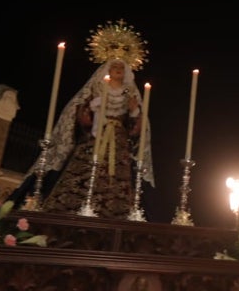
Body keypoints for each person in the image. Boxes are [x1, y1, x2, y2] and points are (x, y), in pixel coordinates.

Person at [20, 20, 151, 218]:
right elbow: (79, 114)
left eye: (121, 67)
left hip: (118, 141)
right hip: (94, 137)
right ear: (106, 69)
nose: (117, 70)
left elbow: (137, 126)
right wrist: (89, 112)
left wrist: (134, 113)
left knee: (117, 179)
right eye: (114, 66)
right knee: (84, 169)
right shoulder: (96, 88)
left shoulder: (129, 92)